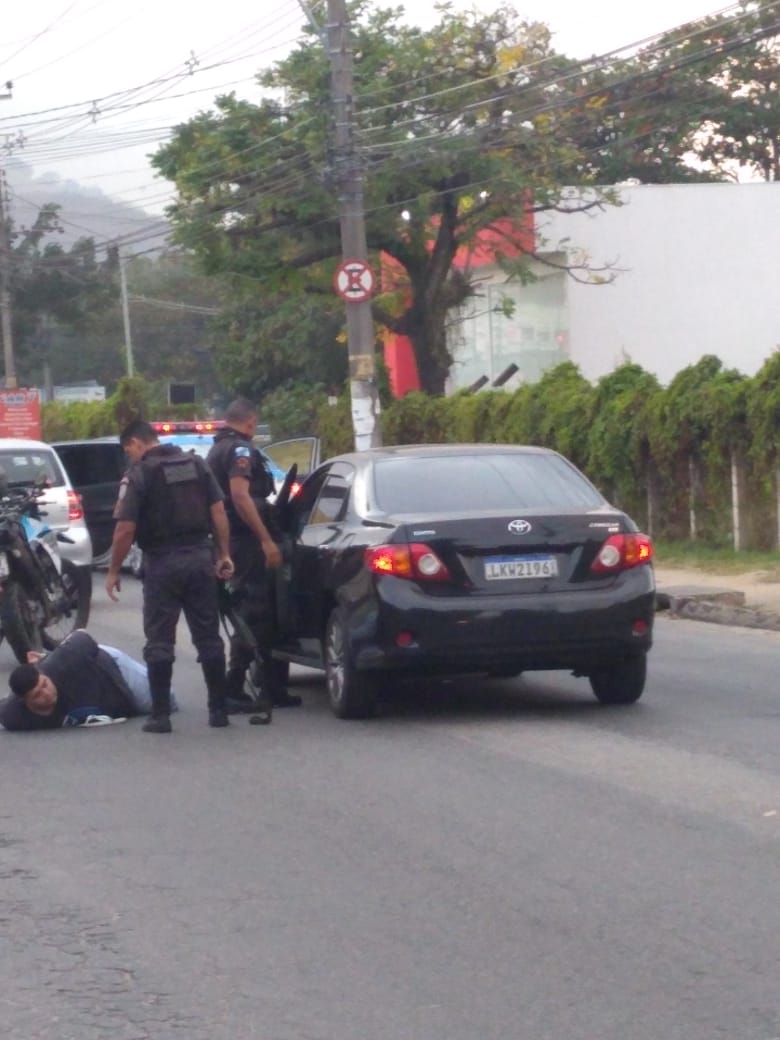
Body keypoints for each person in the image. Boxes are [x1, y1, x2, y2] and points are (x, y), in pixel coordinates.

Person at [105, 418, 234, 733]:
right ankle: (219, 711)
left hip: (162, 563)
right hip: (200, 559)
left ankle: (160, 715)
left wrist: (112, 569)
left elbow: (125, 528)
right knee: (208, 635)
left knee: (160, 639)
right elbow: (218, 511)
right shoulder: (196, 464)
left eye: (128, 450)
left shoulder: (139, 475)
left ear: (137, 443)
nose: (130, 456)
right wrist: (224, 553)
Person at [206, 398, 301, 711]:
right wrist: (266, 540)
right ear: (250, 423)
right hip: (246, 541)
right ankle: (234, 686)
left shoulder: (217, 449)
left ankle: (271, 685)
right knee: (254, 610)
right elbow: (240, 496)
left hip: (232, 540)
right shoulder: (240, 451)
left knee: (260, 610)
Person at [0, 630, 178, 731]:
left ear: (43, 675)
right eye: (37, 695)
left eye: (45, 684)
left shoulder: (59, 665)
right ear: (25, 702)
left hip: (111, 669)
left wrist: (54, 655)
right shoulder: (12, 716)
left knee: (168, 701)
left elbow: (83, 636)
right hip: (109, 703)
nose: (46, 693)